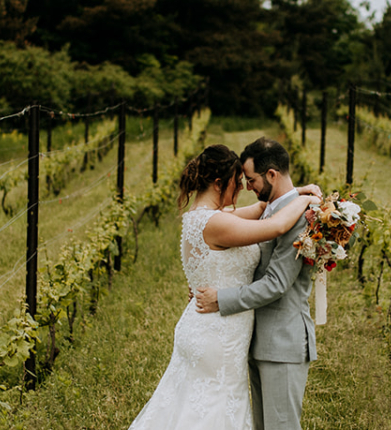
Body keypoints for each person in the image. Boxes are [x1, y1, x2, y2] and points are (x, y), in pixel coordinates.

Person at [128, 143, 321, 430]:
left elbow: (261, 209)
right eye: (238, 183)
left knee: (196, 407)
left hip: (209, 329)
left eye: (248, 181)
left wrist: (296, 191)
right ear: (219, 183)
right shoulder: (216, 223)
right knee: (211, 412)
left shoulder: (198, 218)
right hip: (217, 335)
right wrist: (307, 201)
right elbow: (277, 225)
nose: (243, 189)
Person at [194, 137, 318, 430]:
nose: (246, 187)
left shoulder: (300, 218)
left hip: (282, 344)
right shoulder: (273, 208)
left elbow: (276, 283)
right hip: (259, 341)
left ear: (272, 175)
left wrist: (220, 298)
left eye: (250, 180)